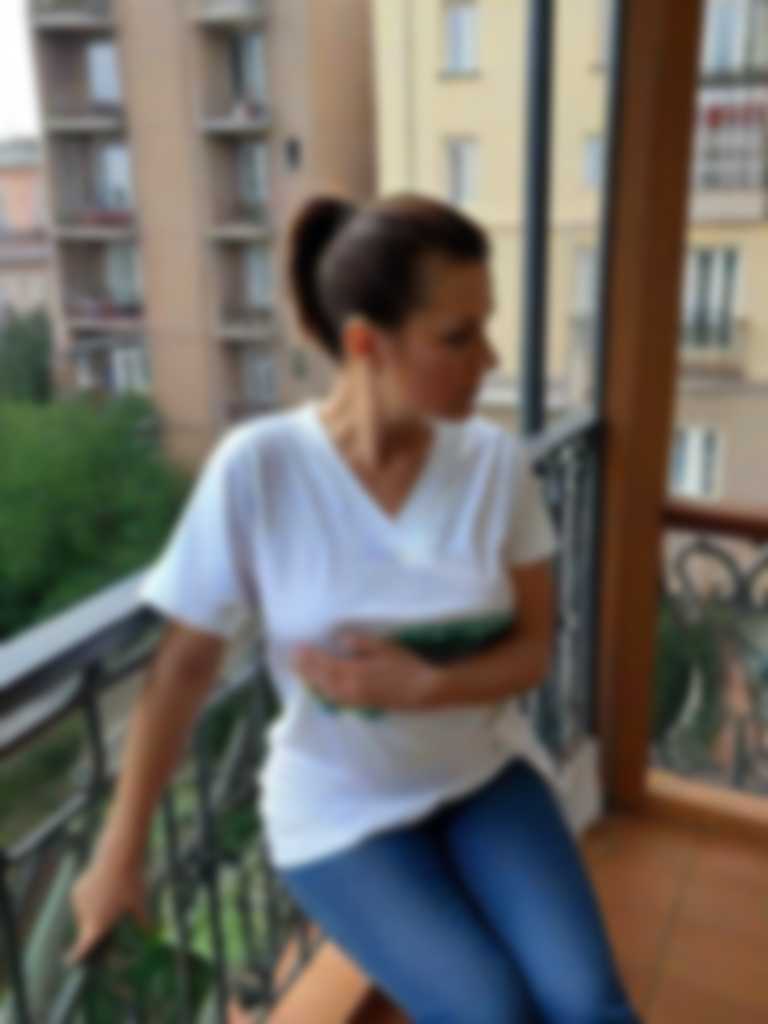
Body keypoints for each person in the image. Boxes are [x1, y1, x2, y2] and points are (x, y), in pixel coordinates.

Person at [65, 192, 642, 1023]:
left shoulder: (496, 465)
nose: (489, 358)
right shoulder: (260, 468)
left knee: (590, 1005)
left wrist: (425, 687)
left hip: (483, 775)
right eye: (458, 336)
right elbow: (183, 668)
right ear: (368, 343)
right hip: (340, 810)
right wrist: (121, 851)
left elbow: (533, 652)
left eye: (485, 327)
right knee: (492, 1010)